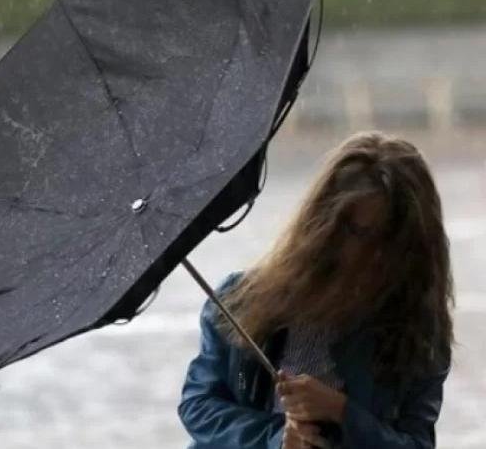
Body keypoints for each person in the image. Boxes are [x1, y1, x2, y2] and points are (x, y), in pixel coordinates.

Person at [178, 131, 454, 449]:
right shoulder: (241, 300)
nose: (373, 254)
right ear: (326, 224)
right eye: (358, 233)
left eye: (390, 241)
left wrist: (341, 411)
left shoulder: (418, 335)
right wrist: (275, 438)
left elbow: (417, 443)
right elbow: (199, 405)